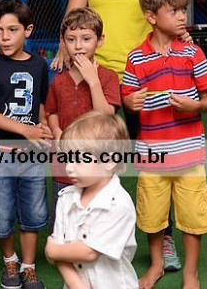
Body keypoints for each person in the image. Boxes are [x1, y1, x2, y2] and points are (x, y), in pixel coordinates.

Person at [50, 0, 182, 271]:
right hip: (99, 77)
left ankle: (163, 236)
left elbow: (170, 17)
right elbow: (73, 20)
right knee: (95, 158)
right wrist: (64, 52)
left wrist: (181, 42)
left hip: (147, 80)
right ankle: (89, 234)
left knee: (153, 162)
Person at [122, 0, 207, 289]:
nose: (181, 16)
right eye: (173, 11)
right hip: (153, 155)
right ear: (151, 16)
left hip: (189, 154)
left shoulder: (193, 53)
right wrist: (131, 102)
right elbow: (128, 98)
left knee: (193, 216)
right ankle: (157, 265)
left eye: (183, 10)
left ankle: (191, 273)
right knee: (152, 215)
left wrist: (194, 106)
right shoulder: (136, 57)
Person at [0, 0, 53, 289]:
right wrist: (26, 130)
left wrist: (43, 128)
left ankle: (29, 267)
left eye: (12, 30)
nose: (4, 37)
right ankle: (10, 261)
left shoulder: (39, 65)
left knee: (34, 213)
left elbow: (40, 104)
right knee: (0, 213)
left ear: (28, 30)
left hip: (31, 155)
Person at [45, 111, 139, 289]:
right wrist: (76, 285)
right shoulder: (65, 198)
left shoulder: (118, 204)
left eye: (79, 160)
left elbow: (88, 252)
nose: (69, 168)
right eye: (67, 158)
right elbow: (61, 257)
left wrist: (52, 250)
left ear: (109, 161)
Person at [45, 7, 121, 222]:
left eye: (86, 39)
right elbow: (52, 111)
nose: (78, 46)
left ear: (99, 41)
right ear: (63, 42)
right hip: (64, 166)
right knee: (63, 221)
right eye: (71, 39)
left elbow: (106, 117)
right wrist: (57, 131)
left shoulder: (108, 77)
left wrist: (93, 80)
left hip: (98, 164)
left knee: (98, 222)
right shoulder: (58, 80)